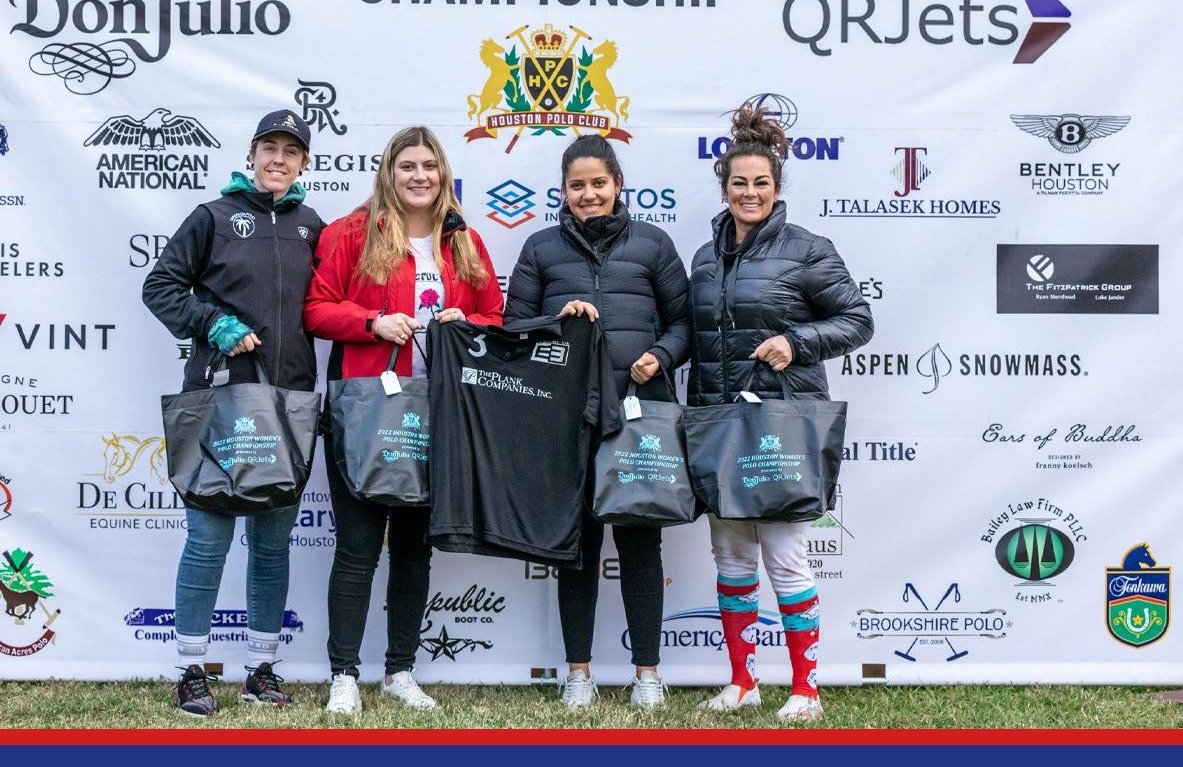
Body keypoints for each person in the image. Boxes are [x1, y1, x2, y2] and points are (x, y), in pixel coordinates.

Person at [304, 125, 503, 719]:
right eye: (407, 166)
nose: (420, 176)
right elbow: (316, 309)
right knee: (357, 548)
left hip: (438, 414)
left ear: (443, 174)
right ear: (389, 173)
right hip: (366, 410)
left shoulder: (463, 240)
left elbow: (495, 316)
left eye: (429, 166)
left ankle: (400, 671)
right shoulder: (353, 231)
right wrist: (373, 323)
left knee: (415, 551)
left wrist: (465, 322)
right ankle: (344, 674)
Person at [687, 103, 873, 724]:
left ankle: (805, 690)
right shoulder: (705, 257)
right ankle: (742, 683)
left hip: (781, 424)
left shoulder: (808, 250)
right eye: (739, 182)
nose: (750, 193)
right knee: (731, 557)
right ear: (724, 186)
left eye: (761, 183)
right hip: (718, 422)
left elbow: (858, 320)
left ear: (777, 186)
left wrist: (797, 341)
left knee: (786, 558)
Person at [142, 108, 323, 718]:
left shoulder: (312, 226)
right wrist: (213, 322)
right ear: (252, 154)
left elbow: (340, 293)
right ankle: (191, 670)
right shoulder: (213, 217)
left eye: (291, 151)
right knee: (208, 540)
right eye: (269, 148)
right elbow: (160, 287)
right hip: (220, 398)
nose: (279, 159)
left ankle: (261, 670)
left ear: (303, 163)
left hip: (290, 404)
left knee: (272, 545)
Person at [504, 134, 690, 710]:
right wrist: (555, 322)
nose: (589, 194)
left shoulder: (654, 244)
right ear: (563, 190)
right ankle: (578, 672)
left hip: (639, 415)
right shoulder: (540, 247)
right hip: (568, 417)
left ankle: (648, 674)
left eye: (598, 183)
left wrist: (660, 355)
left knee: (640, 544)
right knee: (577, 547)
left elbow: (685, 325)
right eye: (577, 185)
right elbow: (513, 328)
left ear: (617, 184)